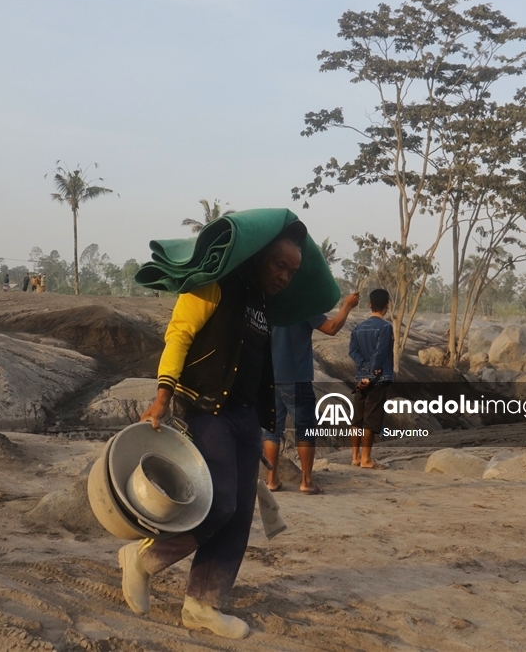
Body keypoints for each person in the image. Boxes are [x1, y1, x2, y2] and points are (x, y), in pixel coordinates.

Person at [123, 222, 306, 639]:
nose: (284, 276)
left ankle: (203, 605)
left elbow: (258, 364)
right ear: (260, 255)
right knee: (217, 504)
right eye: (280, 265)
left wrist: (267, 423)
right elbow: (179, 334)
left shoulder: (262, 303)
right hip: (207, 411)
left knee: (240, 515)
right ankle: (142, 559)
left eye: (292, 272)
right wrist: (163, 395)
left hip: (244, 419)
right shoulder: (213, 285)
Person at [264, 291, 360, 494]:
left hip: (270, 379)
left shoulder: (268, 305)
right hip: (297, 379)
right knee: (305, 429)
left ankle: (271, 480)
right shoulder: (302, 306)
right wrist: (347, 306)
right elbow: (331, 328)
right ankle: (306, 482)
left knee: (272, 430)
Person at [348, 288, 394, 468]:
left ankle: (355, 457)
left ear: (369, 305)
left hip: (360, 378)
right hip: (377, 379)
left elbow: (353, 352)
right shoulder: (385, 327)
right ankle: (366, 459)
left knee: (357, 417)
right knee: (372, 418)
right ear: (387, 305)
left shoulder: (357, 328)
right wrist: (371, 373)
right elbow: (380, 353)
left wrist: (364, 370)